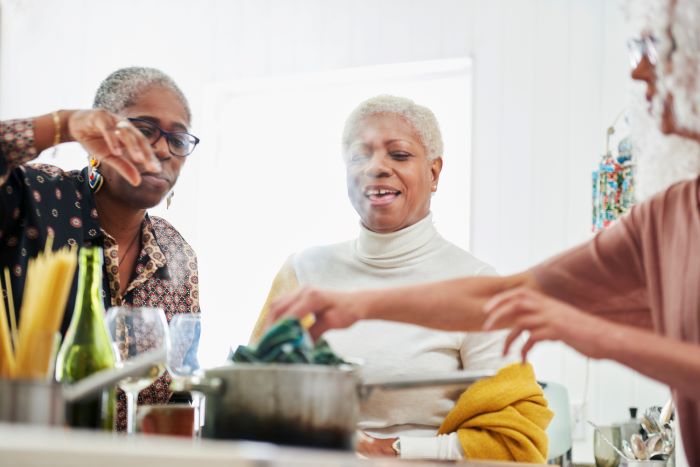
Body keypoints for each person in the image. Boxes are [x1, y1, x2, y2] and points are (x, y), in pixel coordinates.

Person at [267, 1, 700, 463]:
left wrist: (598, 335)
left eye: (659, 47)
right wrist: (358, 304)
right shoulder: (665, 216)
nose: (637, 71)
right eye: (640, 47)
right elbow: (508, 295)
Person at [252, 95, 529, 460]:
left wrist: (396, 449)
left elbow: (514, 438)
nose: (376, 168)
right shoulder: (302, 271)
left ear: (434, 172)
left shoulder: (478, 286)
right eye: (359, 156)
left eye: (398, 155)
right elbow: (251, 400)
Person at [0, 67, 201, 431]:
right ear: (98, 134)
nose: (161, 149)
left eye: (178, 138)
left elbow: (177, 393)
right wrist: (63, 126)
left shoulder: (176, 253)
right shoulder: (35, 197)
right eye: (143, 130)